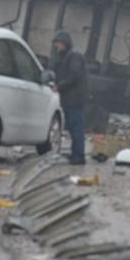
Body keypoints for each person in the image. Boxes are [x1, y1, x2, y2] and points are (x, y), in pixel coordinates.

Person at [50, 31, 88, 165]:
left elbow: (74, 76)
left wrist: (59, 86)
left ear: (64, 44)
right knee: (73, 127)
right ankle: (76, 154)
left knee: (76, 127)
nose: (57, 47)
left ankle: (79, 156)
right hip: (69, 99)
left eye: (58, 44)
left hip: (74, 99)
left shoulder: (74, 57)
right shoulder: (65, 57)